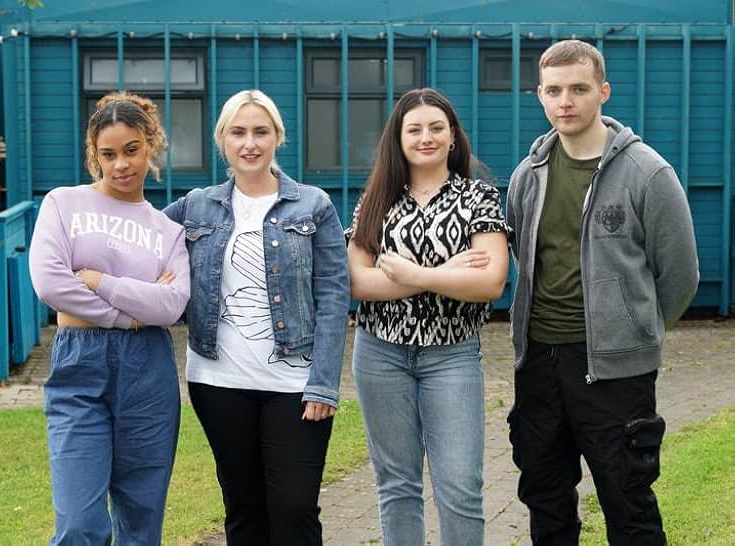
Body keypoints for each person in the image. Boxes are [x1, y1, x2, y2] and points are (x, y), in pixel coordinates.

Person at [506, 40, 699, 545]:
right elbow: (525, 259)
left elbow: (679, 275)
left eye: (578, 88)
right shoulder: (528, 176)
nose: (565, 101)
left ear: (603, 92)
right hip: (539, 364)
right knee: (545, 498)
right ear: (540, 96)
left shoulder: (647, 173)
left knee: (627, 499)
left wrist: (637, 329)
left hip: (616, 373)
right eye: (553, 90)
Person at [163, 89, 349, 546]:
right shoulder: (195, 206)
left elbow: (333, 294)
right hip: (218, 382)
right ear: (222, 140)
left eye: (260, 132)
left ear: (277, 138)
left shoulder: (313, 205)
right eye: (238, 132)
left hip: (296, 385)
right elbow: (139, 243)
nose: (250, 143)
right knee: (243, 509)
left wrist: (324, 382)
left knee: (295, 508)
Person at [347, 87, 510, 546]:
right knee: (397, 485)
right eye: (413, 129)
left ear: (453, 137)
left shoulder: (477, 197)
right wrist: (444, 274)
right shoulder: (376, 198)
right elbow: (357, 282)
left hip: (452, 357)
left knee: (460, 487)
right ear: (397, 139)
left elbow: (490, 282)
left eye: (436, 128)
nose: (426, 137)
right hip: (380, 354)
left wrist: (409, 272)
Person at [28, 92, 190, 545]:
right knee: (80, 525)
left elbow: (172, 305)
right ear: (93, 154)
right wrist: (133, 313)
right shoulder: (63, 204)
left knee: (141, 525)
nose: (121, 165)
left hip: (148, 376)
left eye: (131, 150)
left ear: (150, 145)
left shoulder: (166, 229)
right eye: (108, 154)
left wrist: (100, 282)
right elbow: (51, 285)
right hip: (79, 368)